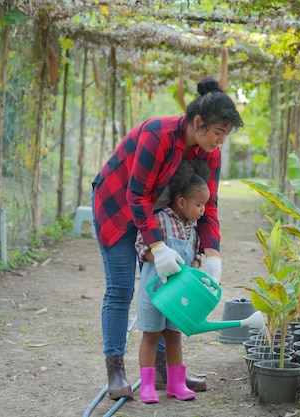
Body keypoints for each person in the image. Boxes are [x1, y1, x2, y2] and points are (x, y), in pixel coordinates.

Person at [91, 77, 244, 399]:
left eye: (225, 136)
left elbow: (208, 203)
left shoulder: (208, 152)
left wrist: (213, 252)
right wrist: (158, 247)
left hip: (158, 212)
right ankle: (115, 369)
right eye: (218, 133)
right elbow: (137, 195)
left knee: (168, 284)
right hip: (118, 207)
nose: (220, 142)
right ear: (198, 122)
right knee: (120, 290)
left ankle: (163, 371)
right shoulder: (158, 133)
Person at [135, 160, 210, 403]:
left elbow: (197, 254)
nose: (202, 211)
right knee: (151, 336)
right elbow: (141, 247)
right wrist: (157, 255)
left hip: (180, 296)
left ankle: (176, 384)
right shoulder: (159, 219)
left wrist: (197, 269)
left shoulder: (193, 227)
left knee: (174, 336)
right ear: (181, 202)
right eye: (199, 205)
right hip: (156, 291)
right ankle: (147, 386)